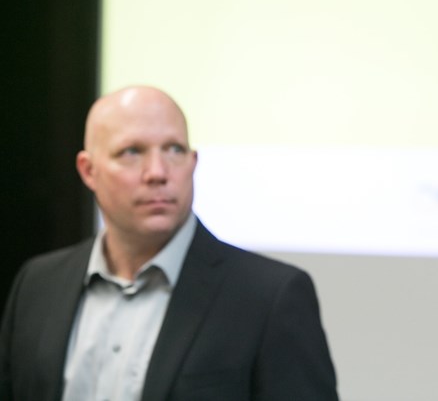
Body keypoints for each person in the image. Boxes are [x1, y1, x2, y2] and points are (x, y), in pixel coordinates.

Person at [0, 86, 338, 401]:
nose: (158, 172)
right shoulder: (38, 284)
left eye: (174, 149)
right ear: (89, 171)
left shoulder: (268, 297)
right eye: (132, 152)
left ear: (193, 163)